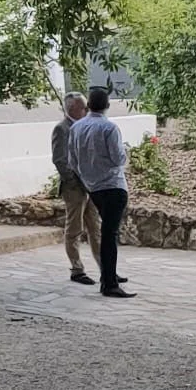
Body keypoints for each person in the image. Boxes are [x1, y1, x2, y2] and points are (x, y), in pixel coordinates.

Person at [69, 86, 134, 298]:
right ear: (107, 106)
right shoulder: (109, 128)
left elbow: (73, 162)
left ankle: (108, 278)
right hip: (114, 186)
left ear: (88, 105)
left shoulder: (76, 128)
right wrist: (126, 152)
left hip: (94, 187)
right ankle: (109, 283)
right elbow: (118, 159)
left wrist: (88, 178)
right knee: (109, 235)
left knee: (106, 233)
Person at [51, 91, 102, 284]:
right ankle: (77, 269)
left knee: (95, 228)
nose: (87, 110)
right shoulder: (61, 129)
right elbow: (59, 159)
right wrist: (74, 181)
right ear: (72, 108)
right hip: (74, 189)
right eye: (83, 107)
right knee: (74, 229)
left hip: (90, 186)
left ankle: (106, 269)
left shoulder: (85, 127)